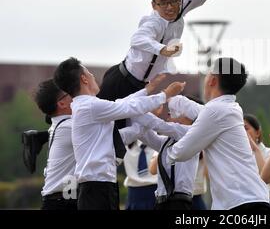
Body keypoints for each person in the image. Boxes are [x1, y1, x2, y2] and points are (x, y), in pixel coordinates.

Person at [97, 0, 244, 104]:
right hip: (121, 81)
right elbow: (137, 39)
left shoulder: (180, 8)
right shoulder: (153, 22)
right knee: (104, 125)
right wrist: (162, 49)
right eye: (163, 3)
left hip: (141, 87)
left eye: (174, 1)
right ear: (154, 5)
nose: (170, 7)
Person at [53, 57, 185, 210]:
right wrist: (164, 95)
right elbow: (126, 107)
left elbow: (122, 104)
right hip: (96, 187)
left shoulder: (87, 106)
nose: (92, 76)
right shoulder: (90, 106)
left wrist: (148, 89)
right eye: (89, 73)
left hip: (98, 186)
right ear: (84, 79)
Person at [163, 57, 270, 210]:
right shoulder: (229, 108)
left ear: (212, 80)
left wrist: (161, 145)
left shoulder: (215, 111)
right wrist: (170, 99)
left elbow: (181, 152)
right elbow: (199, 112)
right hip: (246, 200)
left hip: (241, 203)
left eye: (207, 74)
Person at [131, 112, 199, 210]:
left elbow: (158, 124)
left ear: (188, 117)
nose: (168, 113)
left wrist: (137, 109)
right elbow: (143, 134)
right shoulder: (167, 140)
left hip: (179, 202)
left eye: (176, 111)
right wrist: (132, 112)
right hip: (162, 201)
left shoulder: (189, 133)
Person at [34, 79, 76, 210]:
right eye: (70, 93)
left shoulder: (62, 124)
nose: (75, 95)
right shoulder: (69, 127)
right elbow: (115, 136)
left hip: (62, 199)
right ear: (62, 103)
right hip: (61, 202)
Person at [122, 106, 163, 210]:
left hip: (156, 192)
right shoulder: (126, 143)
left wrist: (153, 116)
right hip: (134, 195)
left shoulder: (162, 143)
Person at [244, 113, 270, 209]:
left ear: (257, 132)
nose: (242, 132)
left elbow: (265, 178)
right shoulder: (237, 154)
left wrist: (255, 150)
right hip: (243, 203)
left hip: (265, 202)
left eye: (246, 128)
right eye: (239, 128)